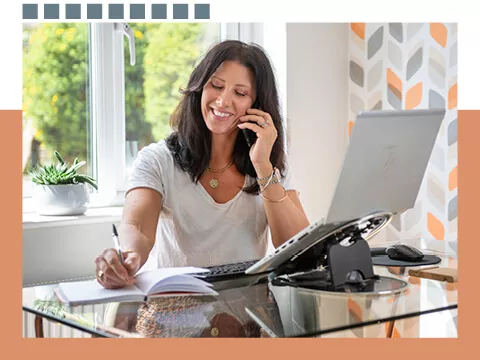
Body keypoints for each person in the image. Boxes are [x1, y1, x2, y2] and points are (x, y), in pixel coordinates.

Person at [95, 40, 310, 289]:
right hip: (175, 313)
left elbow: (299, 249)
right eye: (216, 86)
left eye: (240, 93)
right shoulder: (157, 160)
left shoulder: (268, 165)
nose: (222, 101)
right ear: (199, 88)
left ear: (257, 105)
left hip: (248, 318)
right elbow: (137, 227)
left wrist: (263, 167)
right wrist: (126, 257)